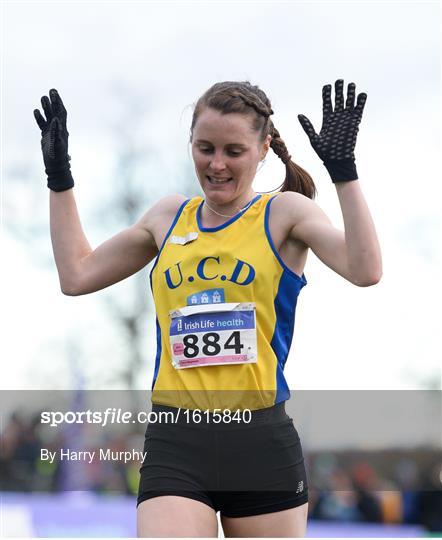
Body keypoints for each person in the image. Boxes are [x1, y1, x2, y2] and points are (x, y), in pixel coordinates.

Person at [34, 79, 382, 538]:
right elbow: (76, 276)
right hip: (177, 441)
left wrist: (344, 173)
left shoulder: (285, 214)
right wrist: (60, 178)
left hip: (260, 442)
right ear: (191, 145)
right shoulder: (167, 217)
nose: (217, 164)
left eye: (234, 151)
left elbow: (365, 269)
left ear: (263, 150)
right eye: (205, 148)